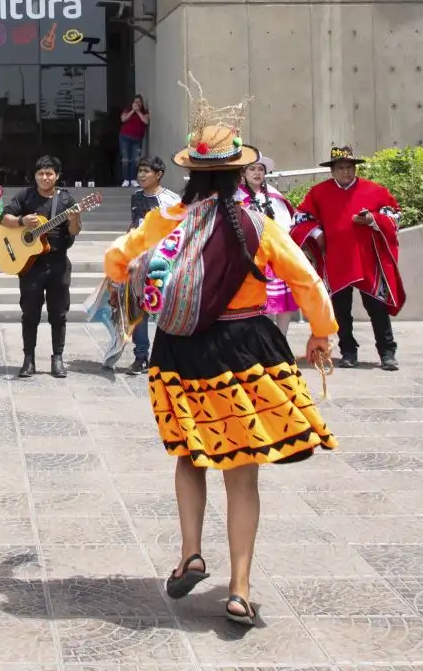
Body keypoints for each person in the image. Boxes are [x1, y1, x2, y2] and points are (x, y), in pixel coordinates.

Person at [103, 95, 336, 628]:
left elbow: (116, 258)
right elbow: (306, 281)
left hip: (180, 348)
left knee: (190, 453)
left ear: (190, 171)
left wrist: (133, 282)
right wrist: (323, 334)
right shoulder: (258, 224)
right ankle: (240, 588)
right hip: (244, 347)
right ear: (237, 173)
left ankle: (190, 553)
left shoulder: (168, 219)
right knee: (242, 472)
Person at [291, 146, 405, 371]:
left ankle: (387, 352)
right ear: (332, 170)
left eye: (350, 167)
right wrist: (317, 233)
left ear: (355, 169)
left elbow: (395, 214)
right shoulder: (319, 192)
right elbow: (301, 217)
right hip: (336, 260)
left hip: (368, 261)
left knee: (376, 308)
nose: (346, 171)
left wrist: (373, 219)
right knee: (341, 310)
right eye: (341, 167)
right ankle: (348, 352)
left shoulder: (374, 190)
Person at [2, 155, 82, 378]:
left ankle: (58, 358)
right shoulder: (25, 196)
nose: (45, 177)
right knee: (30, 313)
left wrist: (75, 218)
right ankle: (29, 359)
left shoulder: (66, 200)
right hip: (31, 266)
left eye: (49, 173)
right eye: (41, 173)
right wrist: (21, 222)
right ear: (35, 175)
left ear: (57, 176)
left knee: (59, 313)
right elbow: (4, 218)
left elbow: (74, 231)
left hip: (58, 264)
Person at [121, 155, 180, 373]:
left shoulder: (172, 200)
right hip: (139, 260)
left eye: (147, 171)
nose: (142, 175)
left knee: (165, 309)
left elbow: (179, 232)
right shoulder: (136, 197)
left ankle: (168, 355)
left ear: (159, 174)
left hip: (164, 261)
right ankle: (141, 356)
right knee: (139, 309)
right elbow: (135, 225)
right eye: (140, 171)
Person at [237, 154, 299, 340]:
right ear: (243, 172)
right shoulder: (236, 196)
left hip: (275, 255)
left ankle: (281, 340)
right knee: (256, 303)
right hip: (250, 257)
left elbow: (287, 225)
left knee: (283, 301)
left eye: (260, 169)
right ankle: (259, 343)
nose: (257, 173)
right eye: (252, 169)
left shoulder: (273, 195)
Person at [118, 95, 150, 186]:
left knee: (135, 160)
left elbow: (145, 121)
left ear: (142, 103)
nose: (137, 103)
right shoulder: (127, 110)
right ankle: (126, 179)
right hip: (125, 137)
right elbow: (123, 119)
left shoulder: (144, 112)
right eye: (135, 102)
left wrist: (138, 111)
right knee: (125, 159)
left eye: (139, 102)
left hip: (137, 139)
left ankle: (133, 179)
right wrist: (132, 111)